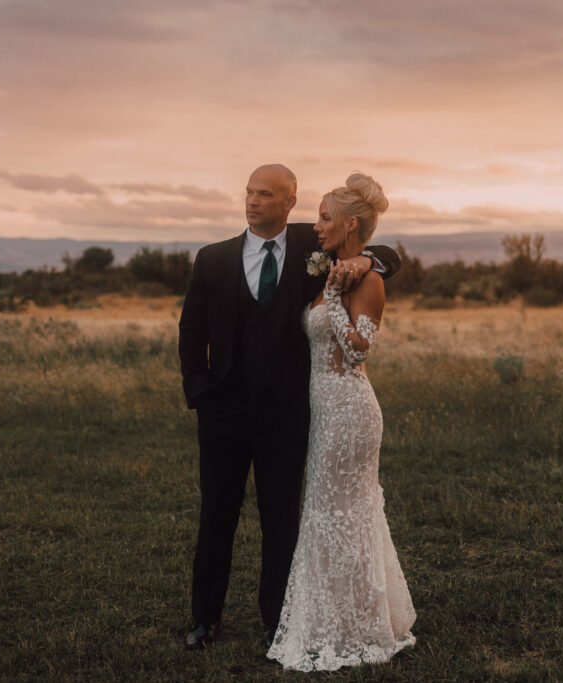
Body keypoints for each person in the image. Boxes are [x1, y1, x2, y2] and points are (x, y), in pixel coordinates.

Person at [177, 164, 401, 650]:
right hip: (223, 415)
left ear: (288, 202)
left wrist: (369, 263)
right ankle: (204, 618)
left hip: (287, 415)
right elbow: (191, 332)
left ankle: (275, 618)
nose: (252, 201)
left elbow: (383, 251)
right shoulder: (212, 259)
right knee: (217, 514)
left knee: (282, 519)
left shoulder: (311, 245)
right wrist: (201, 393)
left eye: (264, 194)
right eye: (248, 193)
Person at [266, 173, 416, 671]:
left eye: (326, 218)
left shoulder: (365, 279)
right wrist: (334, 279)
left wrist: (332, 295)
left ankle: (356, 626)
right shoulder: (335, 266)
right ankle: (339, 618)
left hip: (350, 412)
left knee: (342, 515)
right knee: (331, 516)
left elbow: (357, 351)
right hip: (324, 410)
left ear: (350, 224)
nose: (317, 225)